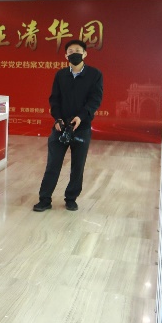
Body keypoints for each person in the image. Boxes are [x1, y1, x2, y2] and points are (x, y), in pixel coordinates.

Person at [34, 39, 104, 212]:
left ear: (85, 53)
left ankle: (71, 198)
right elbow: (54, 99)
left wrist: (81, 117)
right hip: (60, 127)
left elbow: (95, 100)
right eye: (70, 51)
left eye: (78, 50)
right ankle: (45, 199)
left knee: (77, 166)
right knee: (53, 164)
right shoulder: (61, 75)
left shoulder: (95, 74)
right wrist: (57, 118)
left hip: (82, 127)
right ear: (66, 56)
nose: (74, 54)